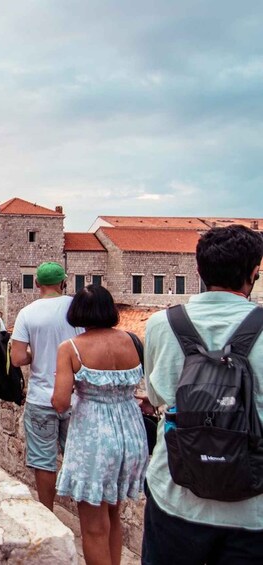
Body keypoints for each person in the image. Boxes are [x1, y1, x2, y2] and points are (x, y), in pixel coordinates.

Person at [141, 225, 263, 564]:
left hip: (176, 495)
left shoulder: (161, 324)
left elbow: (155, 394)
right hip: (253, 510)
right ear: (254, 272)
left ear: (199, 271)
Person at [52, 285, 148, 565]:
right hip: (130, 432)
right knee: (113, 514)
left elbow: (60, 402)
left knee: (93, 526)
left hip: (94, 435)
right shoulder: (132, 341)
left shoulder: (71, 348)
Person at [11, 261, 82, 511]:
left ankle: (47, 512)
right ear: (64, 281)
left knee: (44, 461)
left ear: (38, 284)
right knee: (78, 456)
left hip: (41, 397)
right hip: (76, 398)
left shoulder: (27, 313)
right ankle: (87, 513)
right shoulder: (77, 308)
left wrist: (36, 354)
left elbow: (17, 358)